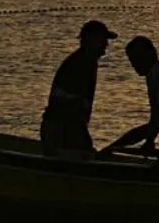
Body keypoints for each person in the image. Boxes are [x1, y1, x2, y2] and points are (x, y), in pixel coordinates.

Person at [40, 20, 113, 158]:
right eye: (103, 40)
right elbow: (69, 107)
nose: (106, 44)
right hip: (62, 131)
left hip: (65, 128)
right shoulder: (81, 64)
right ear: (90, 40)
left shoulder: (86, 62)